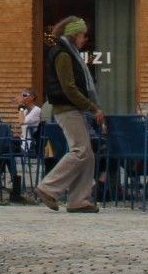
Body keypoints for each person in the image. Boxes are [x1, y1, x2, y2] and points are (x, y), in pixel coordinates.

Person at [34, 16, 106, 214]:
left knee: (88, 155)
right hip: (67, 108)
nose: (85, 39)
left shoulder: (69, 53)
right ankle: (49, 187)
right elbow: (69, 87)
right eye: (83, 35)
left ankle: (79, 200)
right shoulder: (63, 55)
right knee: (81, 150)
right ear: (74, 34)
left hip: (71, 108)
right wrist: (93, 107)